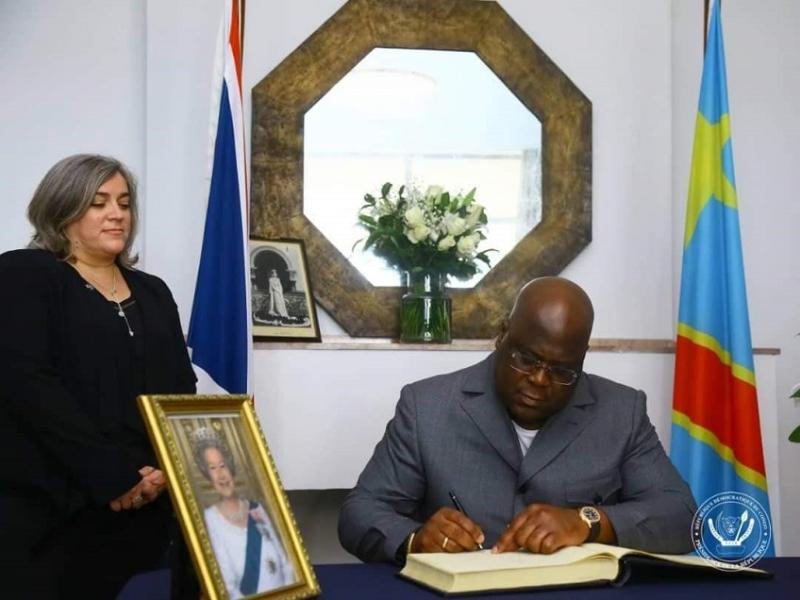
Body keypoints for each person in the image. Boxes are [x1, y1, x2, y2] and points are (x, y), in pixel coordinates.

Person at [338, 277, 697, 564]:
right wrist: (415, 540)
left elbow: (680, 515)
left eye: (562, 370)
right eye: (526, 359)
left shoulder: (622, 411)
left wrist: (588, 522)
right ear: (502, 335)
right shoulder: (426, 406)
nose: (540, 380)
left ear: (582, 358)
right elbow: (360, 513)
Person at [0, 154, 197, 598]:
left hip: (147, 503)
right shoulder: (24, 274)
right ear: (63, 209)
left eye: (124, 204)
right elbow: (31, 388)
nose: (117, 214)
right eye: (99, 202)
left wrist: (159, 472)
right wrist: (114, 476)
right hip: (53, 510)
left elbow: (180, 390)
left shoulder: (152, 290)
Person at [191, 427, 295, 598]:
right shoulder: (210, 518)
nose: (221, 475)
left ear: (231, 468)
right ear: (207, 476)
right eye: (213, 468)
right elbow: (227, 585)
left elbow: (284, 562)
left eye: (223, 465)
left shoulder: (256, 509)